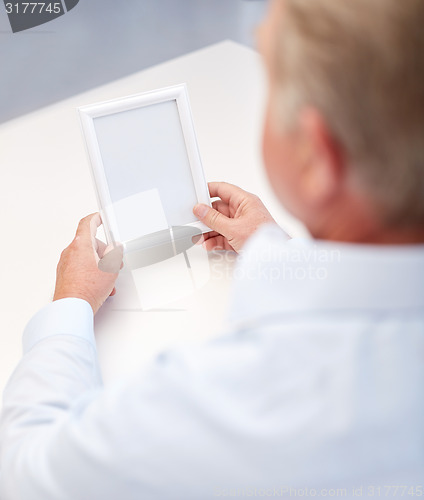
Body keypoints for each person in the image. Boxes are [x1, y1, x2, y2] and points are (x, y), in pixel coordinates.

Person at [1, 0, 424, 498]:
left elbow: (25, 473)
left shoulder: (224, 400)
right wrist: (278, 255)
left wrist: (69, 308)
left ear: (315, 156)